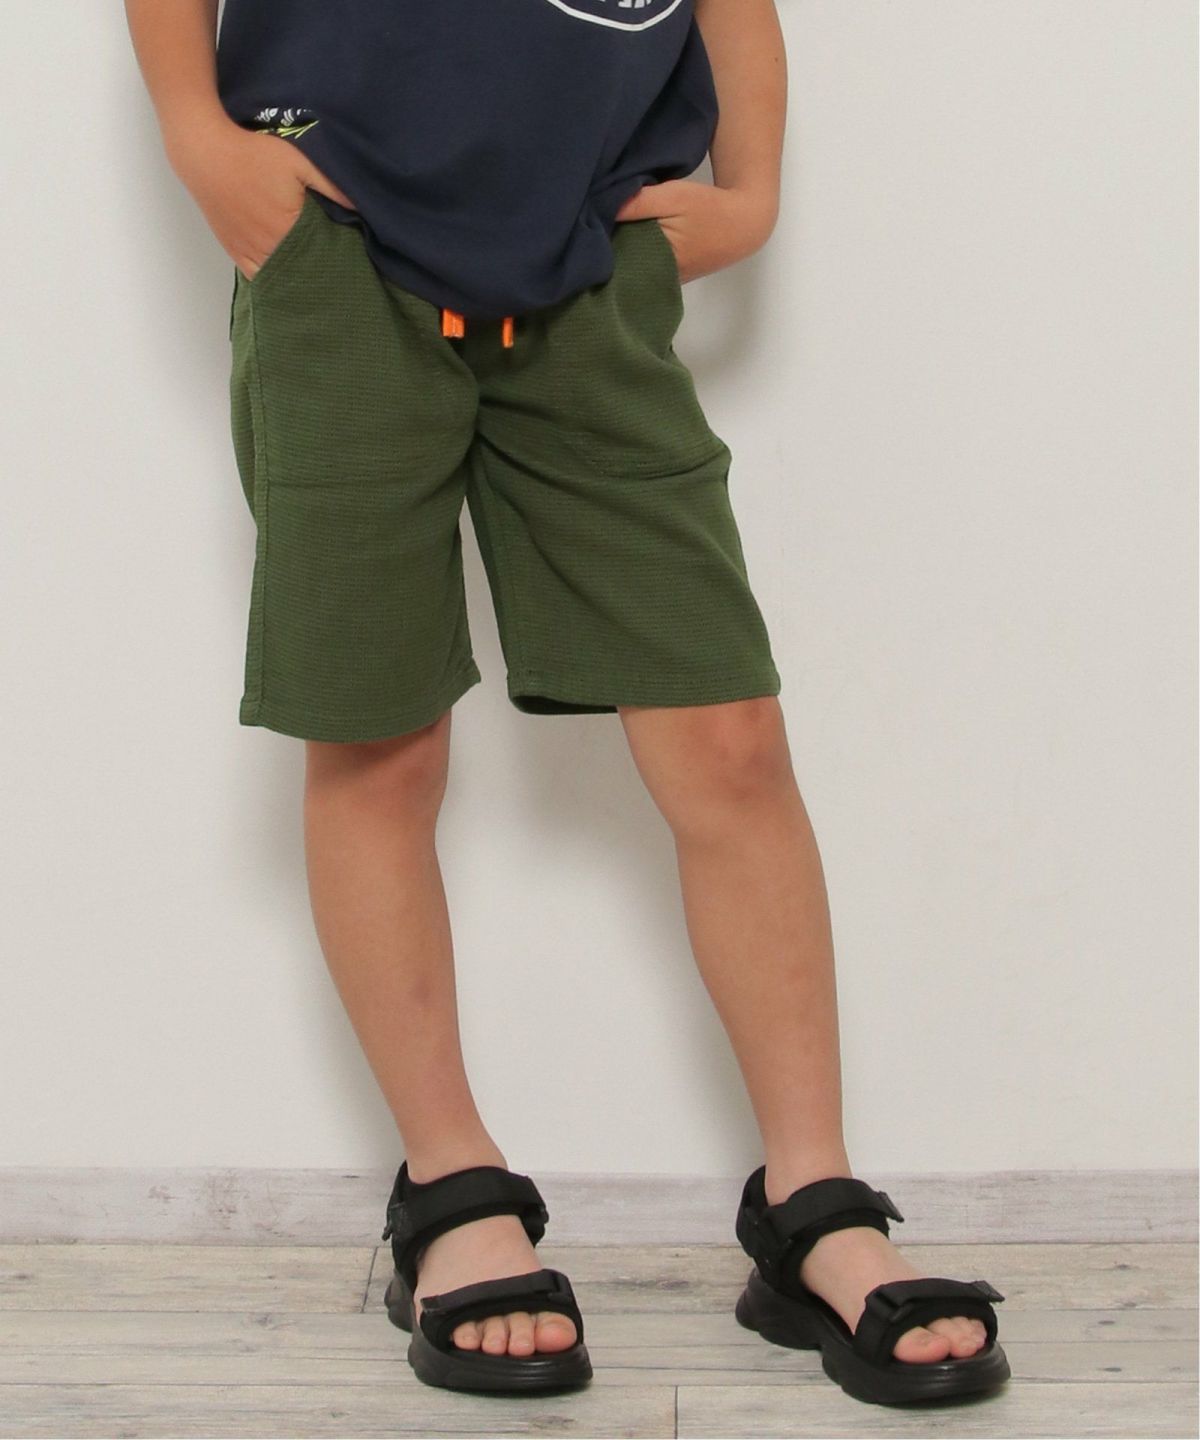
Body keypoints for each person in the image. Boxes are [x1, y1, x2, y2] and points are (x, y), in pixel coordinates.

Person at [124, 0, 1009, 1406]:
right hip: (337, 244)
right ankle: (452, 1190)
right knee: (379, 736)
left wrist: (752, 189)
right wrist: (193, 128)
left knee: (726, 732)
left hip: (592, 257)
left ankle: (814, 1203)